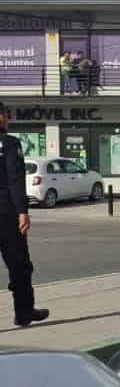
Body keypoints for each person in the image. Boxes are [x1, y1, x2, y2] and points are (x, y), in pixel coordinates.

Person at [0, 102, 46, 327]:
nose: (7, 119)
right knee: (19, 264)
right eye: (6, 115)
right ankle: (24, 312)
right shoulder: (8, 144)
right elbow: (15, 180)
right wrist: (22, 212)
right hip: (6, 214)